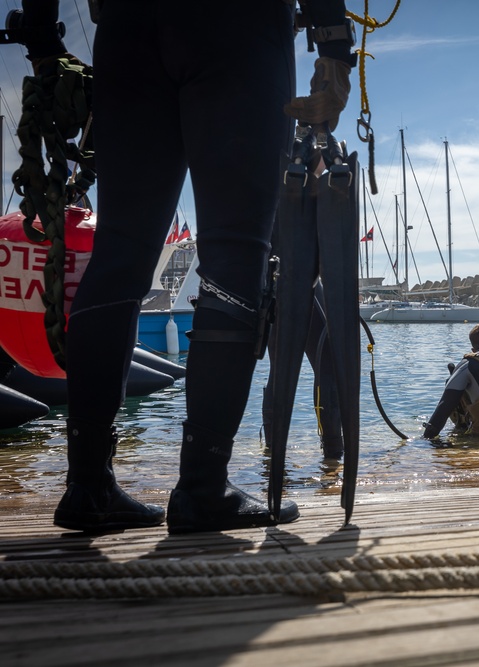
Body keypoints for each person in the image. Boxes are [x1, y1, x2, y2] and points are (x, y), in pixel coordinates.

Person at [16, 0, 355, 533]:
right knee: (235, 255)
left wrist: (40, 36)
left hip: (128, 28)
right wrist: (334, 44)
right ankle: (202, 486)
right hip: (236, 28)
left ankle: (87, 486)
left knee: (119, 252)